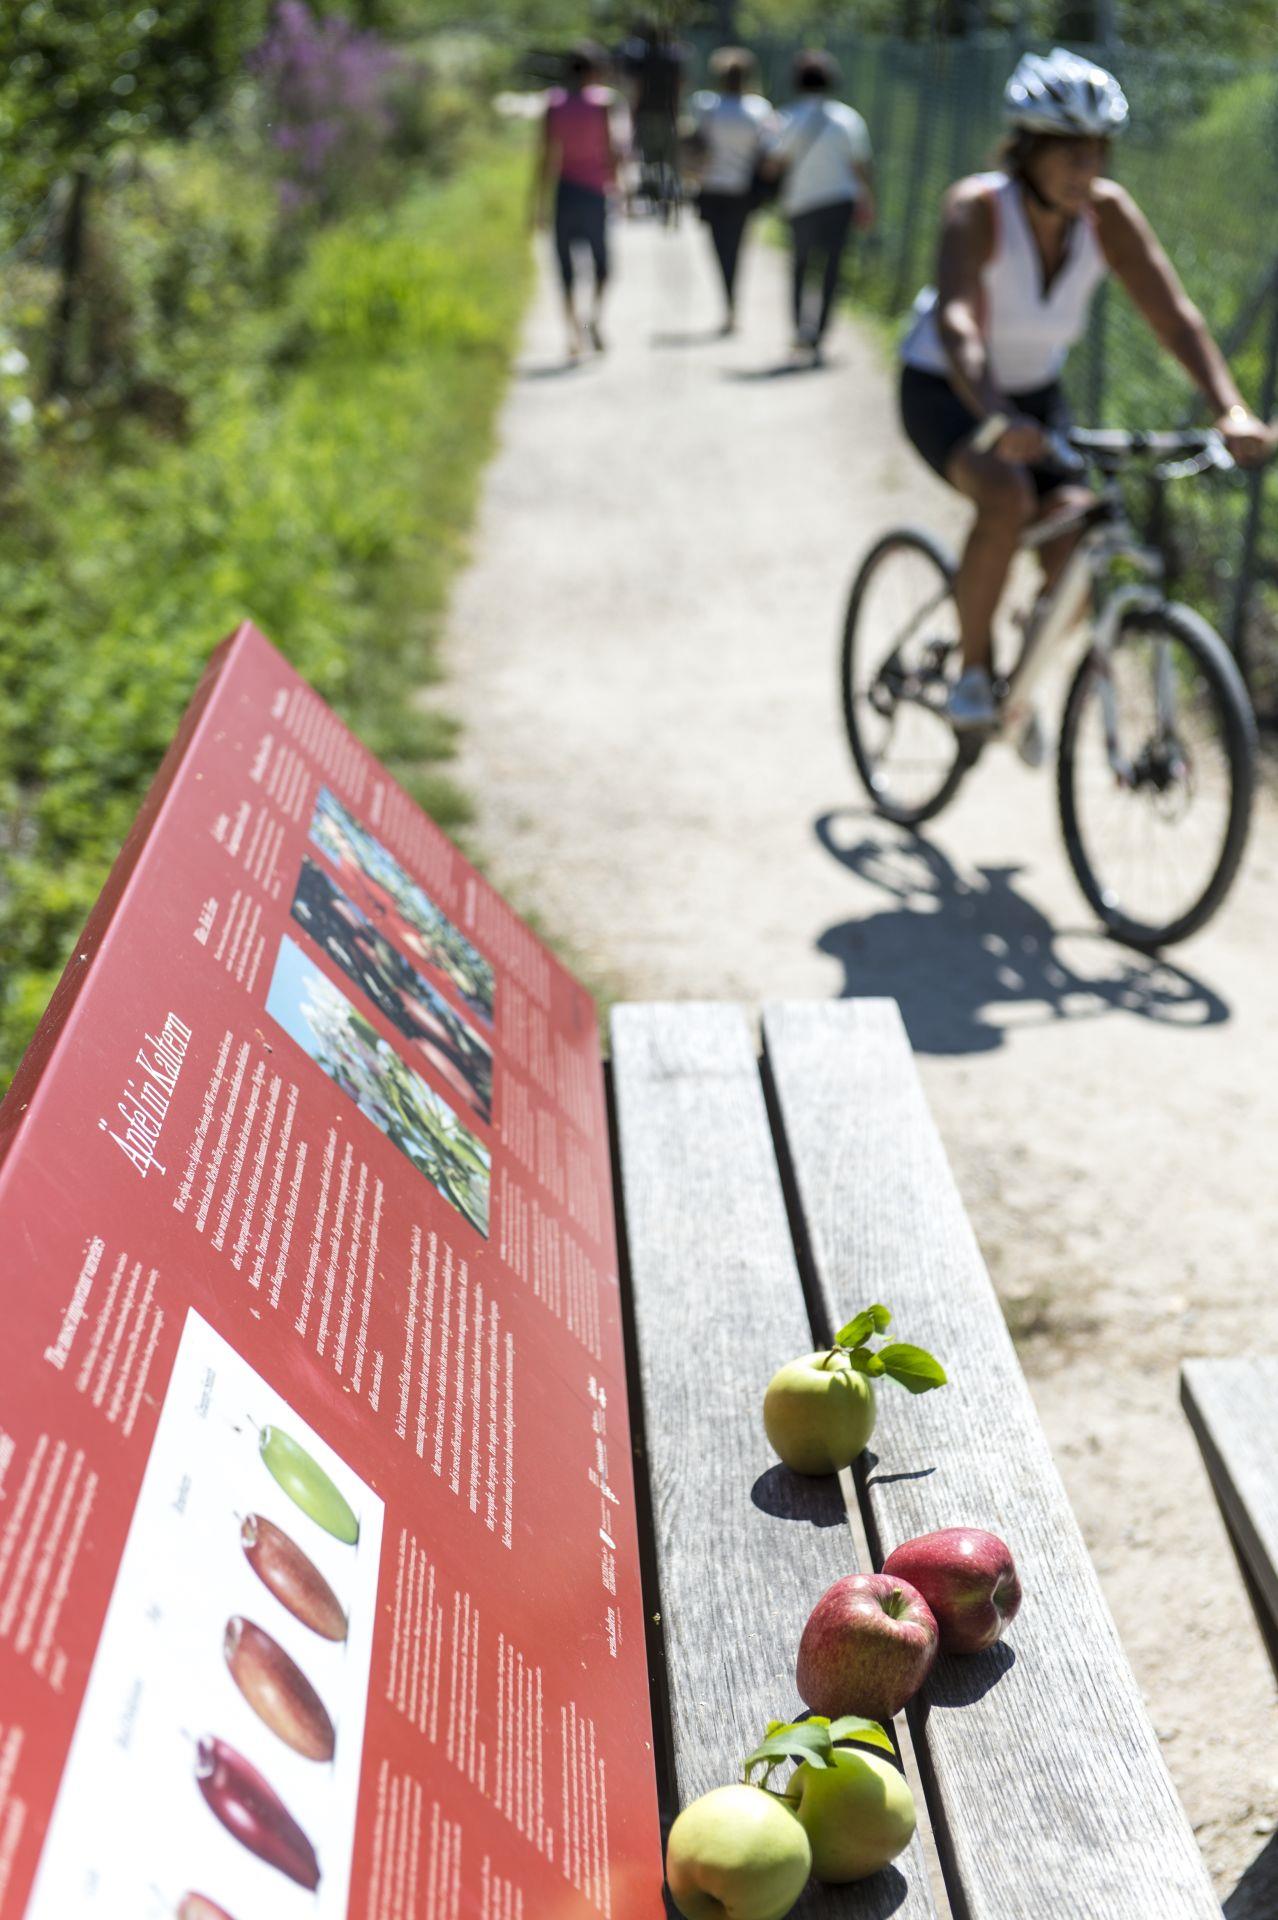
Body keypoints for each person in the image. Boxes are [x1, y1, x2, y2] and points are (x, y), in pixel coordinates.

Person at [899, 46, 1272, 742]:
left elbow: (1174, 316)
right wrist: (995, 415)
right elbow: (956, 320)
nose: (1086, 168)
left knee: (1081, 529)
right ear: (1028, 150)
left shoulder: (1107, 216)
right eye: (1069, 152)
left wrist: (1232, 408)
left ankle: (1028, 654)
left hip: (1034, 394)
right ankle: (973, 674)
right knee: (1006, 494)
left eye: (1097, 151)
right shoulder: (977, 208)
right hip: (948, 388)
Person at [769, 51, 875, 363]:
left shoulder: (788, 117)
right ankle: (820, 335)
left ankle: (800, 329)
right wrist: (868, 202)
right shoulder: (848, 119)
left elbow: (775, 163)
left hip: (800, 203)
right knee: (831, 269)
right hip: (839, 202)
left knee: (800, 267)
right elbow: (860, 166)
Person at [532, 42, 622, 359]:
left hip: (565, 192)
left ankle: (574, 336)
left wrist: (537, 206)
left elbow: (545, 158)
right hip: (595, 193)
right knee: (603, 266)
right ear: (594, 71)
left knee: (566, 269)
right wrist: (618, 189)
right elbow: (611, 151)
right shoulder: (603, 104)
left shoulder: (553, 104)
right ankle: (592, 320)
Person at [688, 48, 774, 333]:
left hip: (712, 187)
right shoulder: (759, 109)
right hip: (742, 190)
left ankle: (728, 303)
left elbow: (696, 144)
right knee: (737, 247)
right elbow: (768, 149)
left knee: (718, 248)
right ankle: (731, 302)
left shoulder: (707, 106)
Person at [619, 16, 686, 214]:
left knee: (648, 156)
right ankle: (669, 192)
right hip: (668, 113)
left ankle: (653, 192)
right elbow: (679, 86)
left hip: (647, 112)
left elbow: (637, 87)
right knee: (667, 156)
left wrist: (633, 112)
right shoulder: (674, 58)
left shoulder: (642, 59)